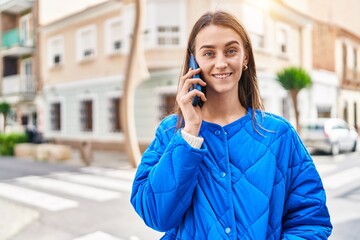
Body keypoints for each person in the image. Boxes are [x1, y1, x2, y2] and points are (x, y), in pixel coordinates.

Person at [131, 11, 332, 239]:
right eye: (208, 53)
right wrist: (190, 133)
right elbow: (156, 215)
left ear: (245, 57)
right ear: (193, 60)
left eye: (231, 51)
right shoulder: (171, 132)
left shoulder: (279, 134)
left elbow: (310, 219)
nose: (221, 63)